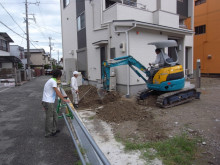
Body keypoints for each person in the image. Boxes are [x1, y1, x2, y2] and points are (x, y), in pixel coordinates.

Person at [42, 69, 69, 138]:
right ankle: (48, 133)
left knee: (55, 116)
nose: (60, 78)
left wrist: (62, 96)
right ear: (58, 75)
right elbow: (57, 91)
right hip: (48, 102)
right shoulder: (53, 81)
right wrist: (63, 99)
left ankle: (54, 130)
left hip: (49, 101)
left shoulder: (52, 80)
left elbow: (57, 90)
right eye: (60, 76)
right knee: (50, 118)